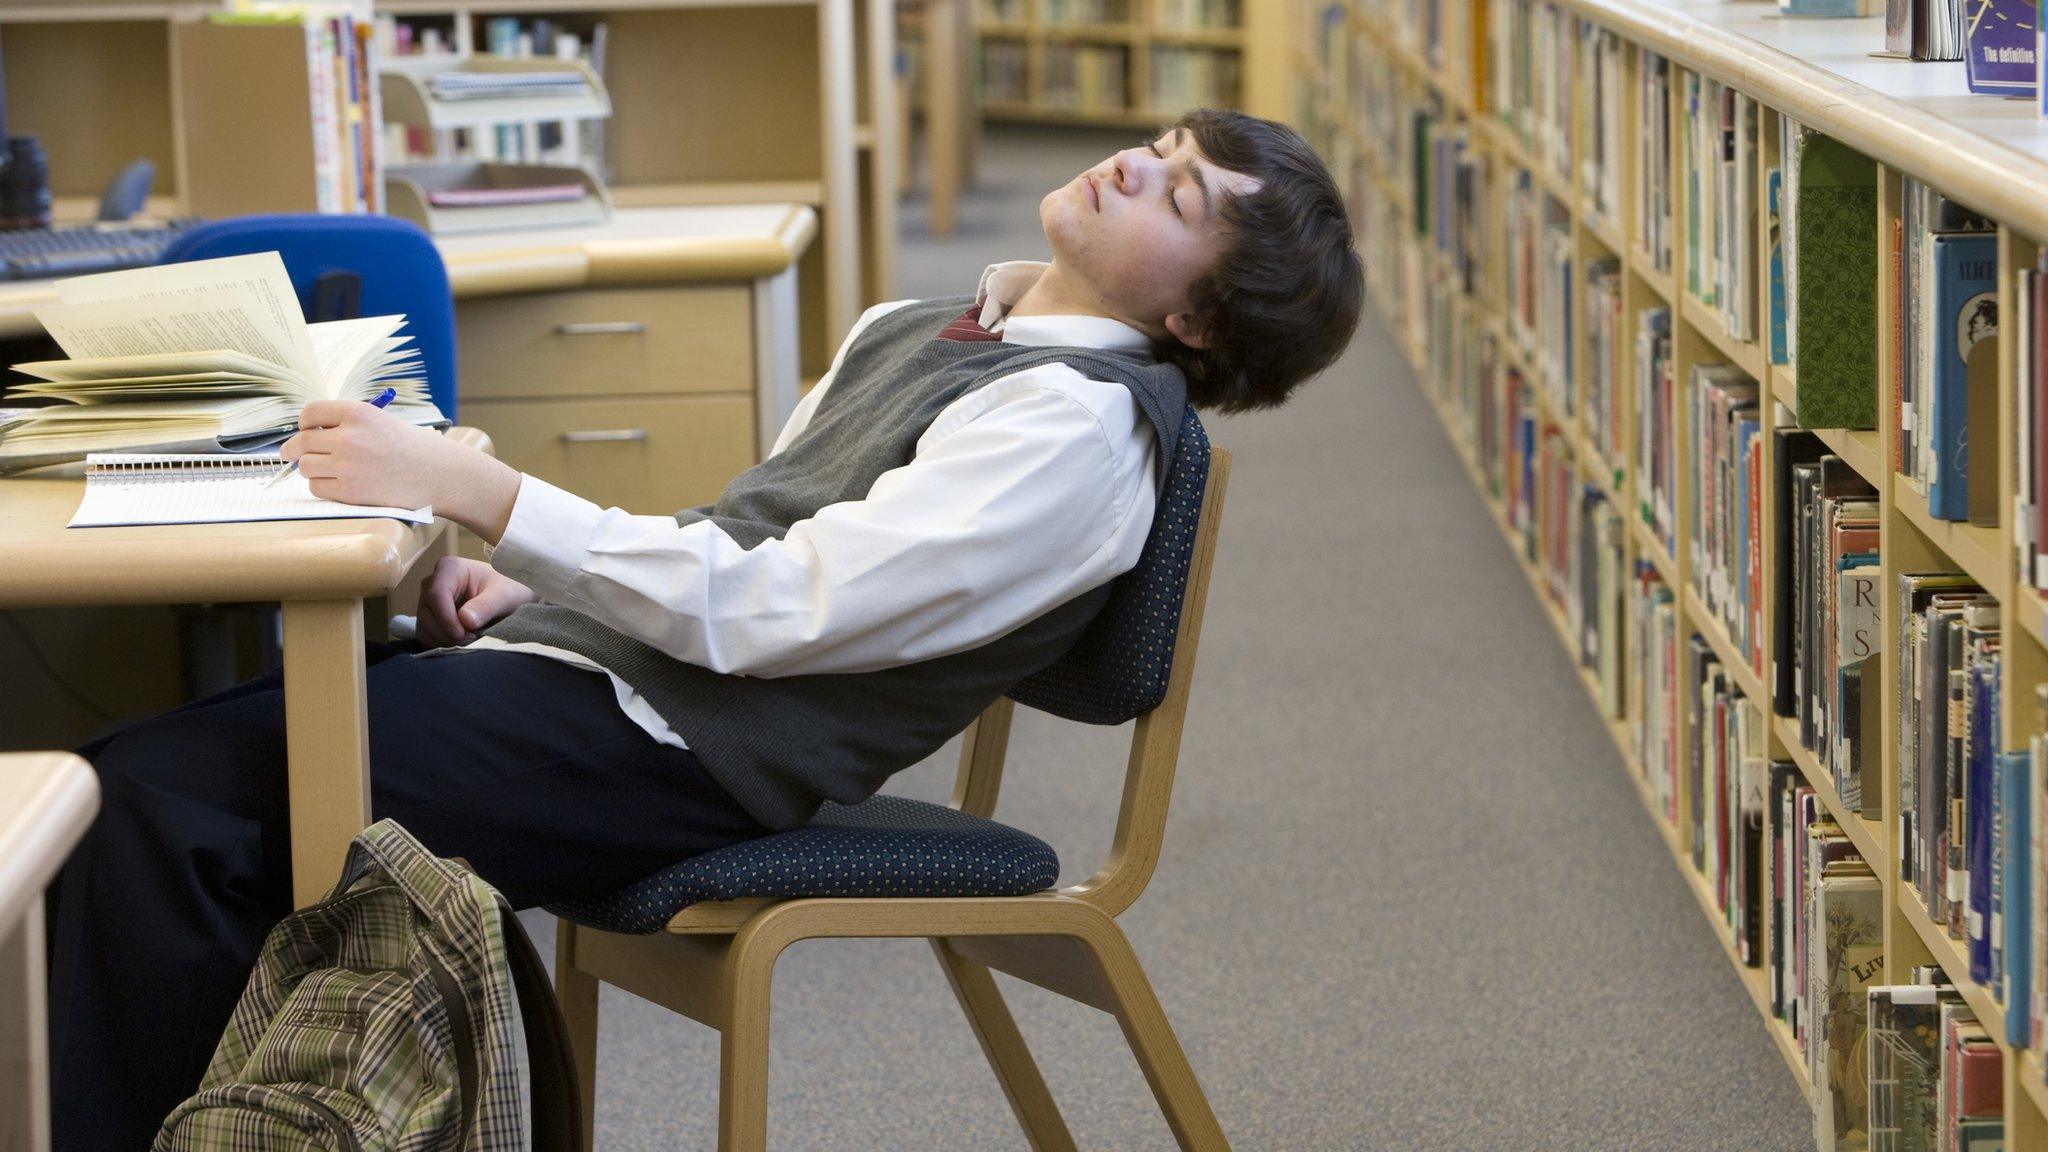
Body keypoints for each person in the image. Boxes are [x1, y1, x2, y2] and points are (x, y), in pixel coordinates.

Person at [44, 107, 1362, 1149]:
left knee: (157, 808)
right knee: (147, 773)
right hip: (615, 695)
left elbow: (776, 612)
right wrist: (543, 593)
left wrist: (485, 498)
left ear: (1193, 319)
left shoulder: (1074, 433)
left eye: (1179, 196)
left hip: (681, 758)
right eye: (1166, 149)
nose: (1139, 165)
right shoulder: (929, 329)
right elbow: (750, 531)